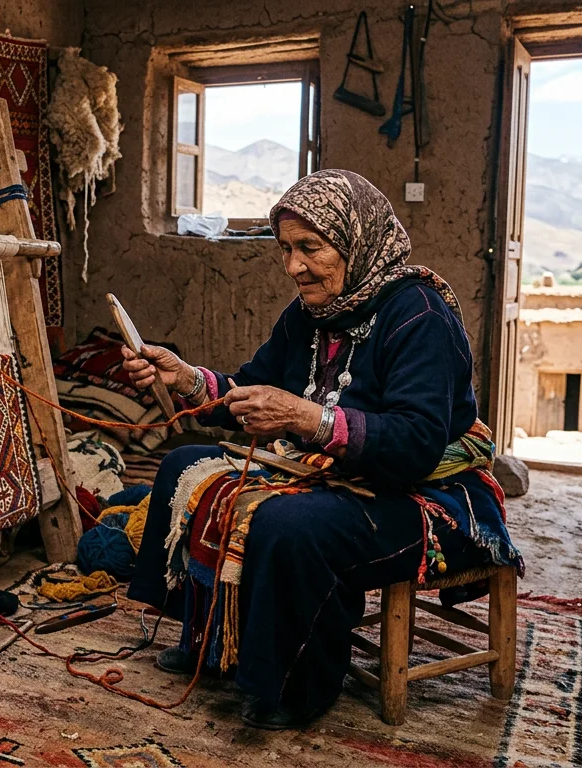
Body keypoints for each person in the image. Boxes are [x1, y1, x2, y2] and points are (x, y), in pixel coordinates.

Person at [121, 169, 522, 730]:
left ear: (357, 241)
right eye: (285, 249)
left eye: (310, 247)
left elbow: (414, 442)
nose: (294, 266)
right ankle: (213, 642)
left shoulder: (420, 316)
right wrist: (185, 378)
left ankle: (296, 686)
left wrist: (305, 418)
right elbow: (250, 389)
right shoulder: (308, 316)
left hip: (423, 495)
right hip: (335, 475)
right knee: (183, 466)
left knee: (291, 524)